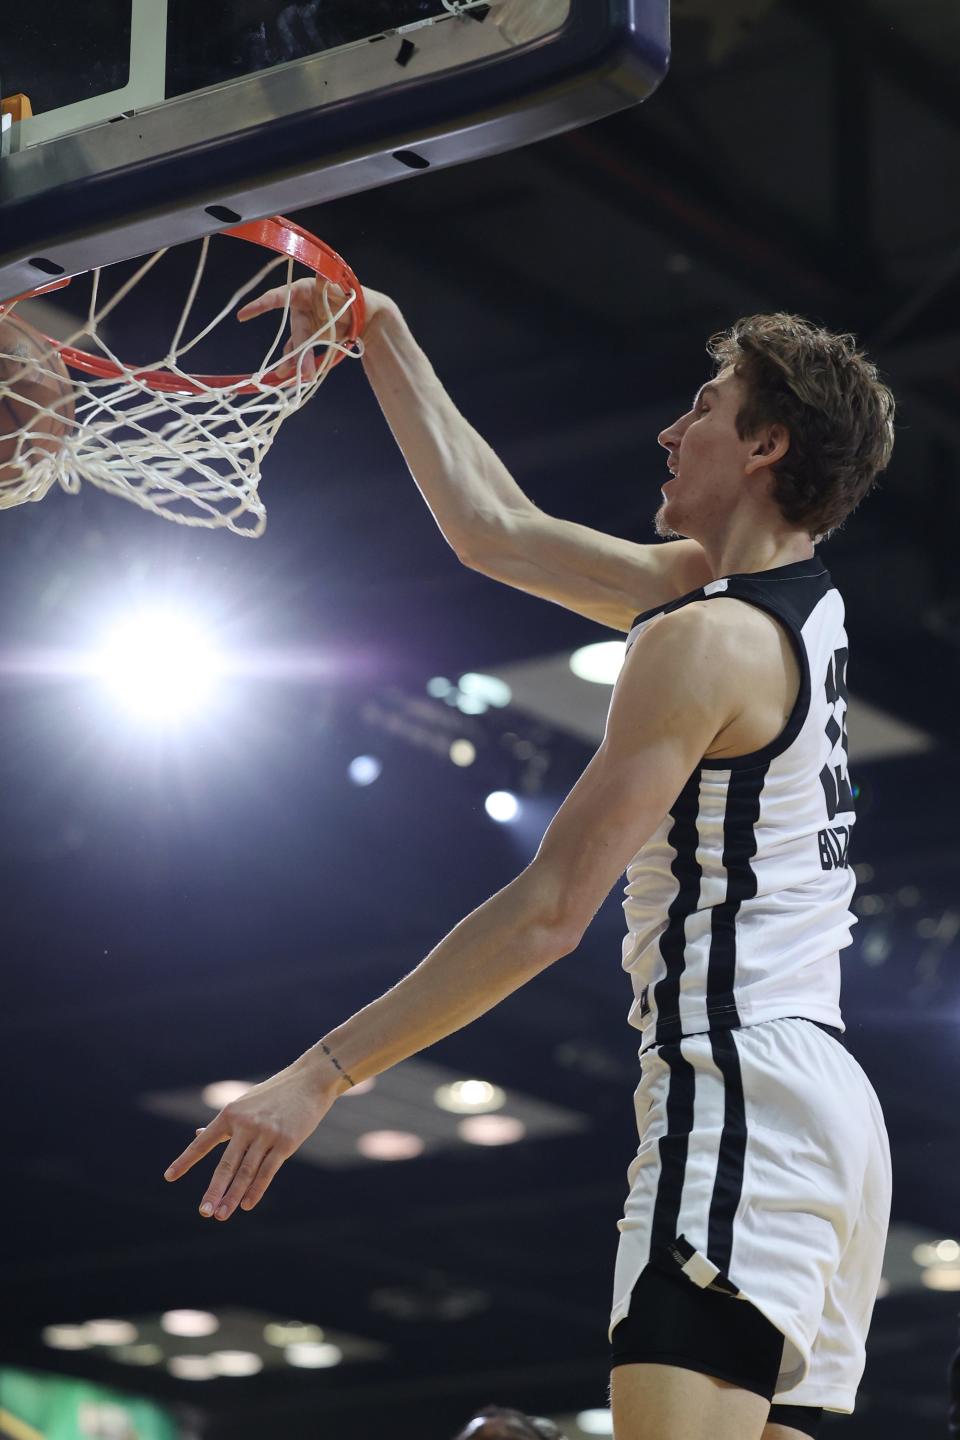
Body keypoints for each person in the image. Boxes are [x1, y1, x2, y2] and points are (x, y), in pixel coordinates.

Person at [164, 282, 895, 1440]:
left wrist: (322, 1072)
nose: (669, 430)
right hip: (824, 1107)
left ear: (765, 444)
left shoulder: (706, 641)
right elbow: (490, 532)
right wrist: (379, 331)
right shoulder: (774, 608)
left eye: (702, 406)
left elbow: (551, 911)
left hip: (739, 1088)